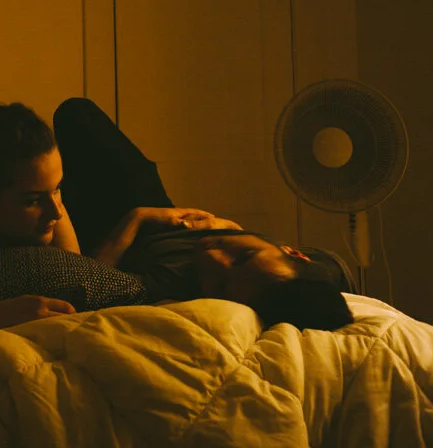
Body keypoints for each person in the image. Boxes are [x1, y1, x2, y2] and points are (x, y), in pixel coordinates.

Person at [0, 98, 353, 339]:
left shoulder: (54, 211)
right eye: (33, 199)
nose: (55, 210)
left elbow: (82, 273)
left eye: (58, 189)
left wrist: (134, 220)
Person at [53, 97, 355, 331]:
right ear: (292, 251)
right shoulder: (301, 270)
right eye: (243, 255)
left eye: (220, 285)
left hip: (116, 230)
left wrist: (136, 219)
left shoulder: (171, 282)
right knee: (77, 114)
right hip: (160, 207)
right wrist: (231, 227)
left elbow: (87, 281)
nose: (213, 257)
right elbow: (338, 270)